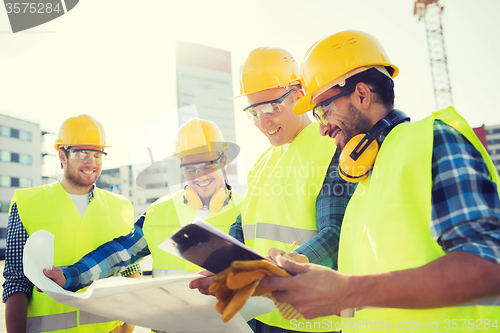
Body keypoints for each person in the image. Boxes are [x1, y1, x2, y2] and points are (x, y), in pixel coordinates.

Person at [260, 30, 500, 332]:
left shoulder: (432, 141)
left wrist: (347, 290)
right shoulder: (364, 179)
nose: (321, 129)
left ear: (362, 95)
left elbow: (491, 266)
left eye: (324, 110)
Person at [191, 47, 356, 333]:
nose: (262, 122)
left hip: (310, 321)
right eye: (253, 112)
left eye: (270, 108)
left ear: (299, 96)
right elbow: (244, 226)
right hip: (259, 314)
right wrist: (224, 264)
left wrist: (279, 269)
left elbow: (336, 236)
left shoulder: (330, 149)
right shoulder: (262, 164)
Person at [43, 119, 243, 332]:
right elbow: (119, 253)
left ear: (223, 162)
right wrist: (70, 276)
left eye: (208, 165)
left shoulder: (247, 210)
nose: (199, 175)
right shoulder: (160, 211)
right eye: (190, 168)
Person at [3, 114, 141, 333]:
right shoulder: (27, 203)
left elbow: (130, 271)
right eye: (82, 153)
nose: (91, 162)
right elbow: (16, 280)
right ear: (62, 155)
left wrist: (127, 328)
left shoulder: (120, 206)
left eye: (97, 154)